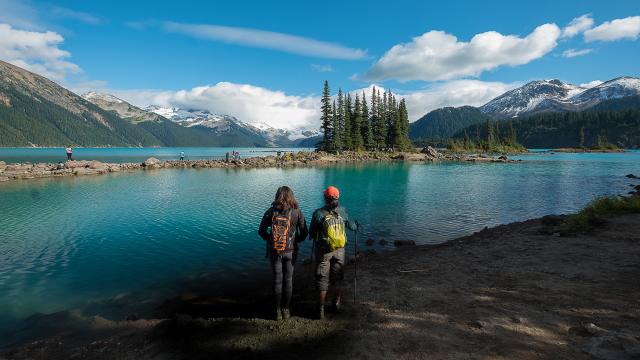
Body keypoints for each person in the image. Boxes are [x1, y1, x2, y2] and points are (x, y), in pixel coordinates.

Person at [258, 186, 308, 320]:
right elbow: (304, 232)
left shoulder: (270, 212)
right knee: (288, 280)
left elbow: (261, 231)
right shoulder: (297, 212)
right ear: (292, 196)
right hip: (291, 252)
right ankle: (286, 310)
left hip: (275, 251)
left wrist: (270, 240)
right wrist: (296, 241)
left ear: (277, 196)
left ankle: (277, 312)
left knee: (277, 281)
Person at [309, 186, 356, 320]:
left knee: (322, 278)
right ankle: (336, 303)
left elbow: (311, 233)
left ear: (325, 198)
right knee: (337, 277)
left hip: (324, 251)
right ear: (337, 197)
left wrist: (315, 235)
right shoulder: (343, 211)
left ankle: (320, 309)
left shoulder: (318, 213)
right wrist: (356, 225)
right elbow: (352, 227)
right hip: (340, 250)